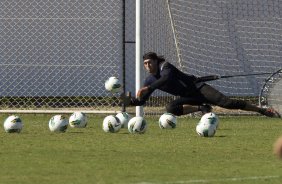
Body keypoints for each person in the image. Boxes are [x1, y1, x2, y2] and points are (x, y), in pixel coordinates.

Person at [122, 52, 280, 118]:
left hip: (199, 88)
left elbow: (165, 79)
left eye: (150, 62)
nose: (148, 66)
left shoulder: (166, 66)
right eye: (145, 64)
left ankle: (262, 110)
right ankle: (202, 108)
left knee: (228, 103)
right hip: (188, 97)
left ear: (157, 61)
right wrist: (132, 102)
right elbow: (143, 101)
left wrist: (148, 88)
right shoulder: (149, 81)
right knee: (171, 108)